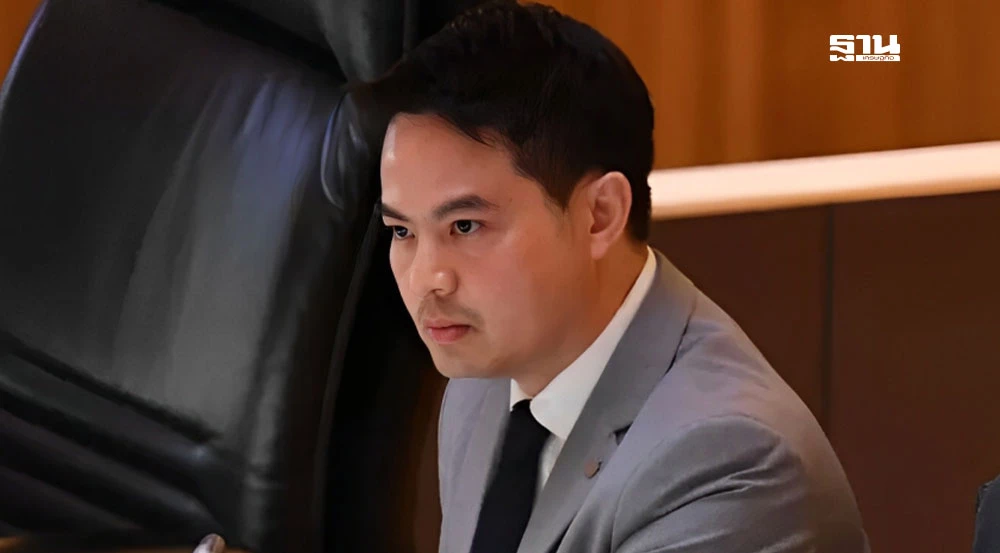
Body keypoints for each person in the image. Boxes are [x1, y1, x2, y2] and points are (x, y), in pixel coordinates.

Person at [369, 2, 869, 552]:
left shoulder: (729, 461)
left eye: (465, 226)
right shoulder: (481, 384)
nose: (427, 278)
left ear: (600, 215)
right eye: (402, 231)